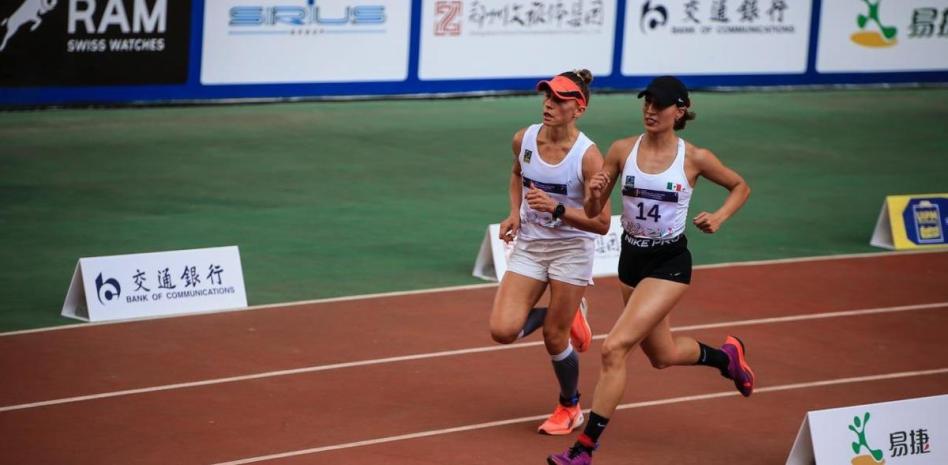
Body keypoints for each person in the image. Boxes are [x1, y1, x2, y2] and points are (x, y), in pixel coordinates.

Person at [547, 75, 755, 464]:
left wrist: (720, 217)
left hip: (669, 264)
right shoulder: (622, 150)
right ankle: (726, 358)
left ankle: (584, 449)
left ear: (680, 111)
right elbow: (594, 213)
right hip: (631, 260)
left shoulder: (694, 158)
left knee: (614, 348)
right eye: (646, 103)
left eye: (659, 105)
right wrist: (593, 194)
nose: (650, 111)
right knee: (662, 354)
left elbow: (740, 186)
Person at [489, 69, 612, 436]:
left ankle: (570, 406)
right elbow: (518, 174)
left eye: (560, 100)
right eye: (547, 96)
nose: (549, 104)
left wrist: (557, 209)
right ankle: (565, 314)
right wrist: (514, 213)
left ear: (579, 109)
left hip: (571, 249)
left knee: (555, 340)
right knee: (502, 330)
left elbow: (602, 223)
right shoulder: (524, 139)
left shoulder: (588, 157)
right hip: (530, 244)